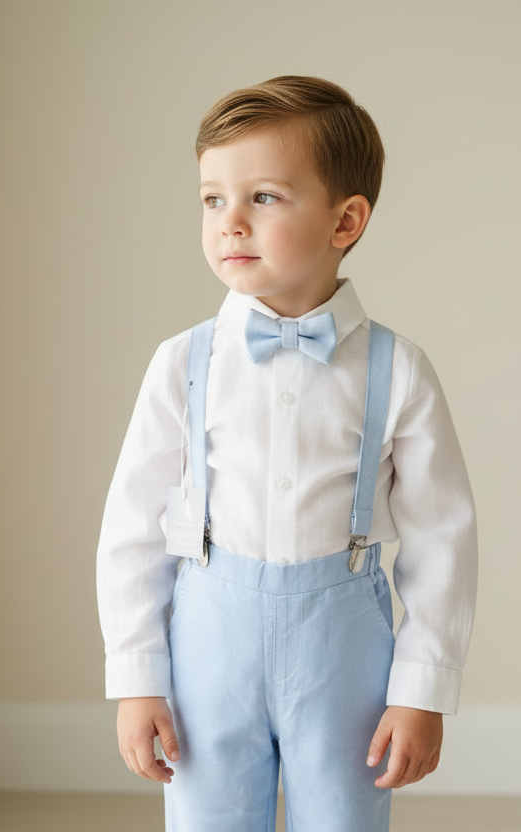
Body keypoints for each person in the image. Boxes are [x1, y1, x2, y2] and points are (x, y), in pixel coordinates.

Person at [96, 75, 478, 832]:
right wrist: (137, 676)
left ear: (345, 220)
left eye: (263, 198)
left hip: (343, 652)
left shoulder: (398, 370)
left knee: (342, 819)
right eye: (212, 199)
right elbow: (132, 529)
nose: (230, 222)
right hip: (210, 642)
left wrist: (421, 689)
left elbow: (444, 541)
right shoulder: (182, 362)